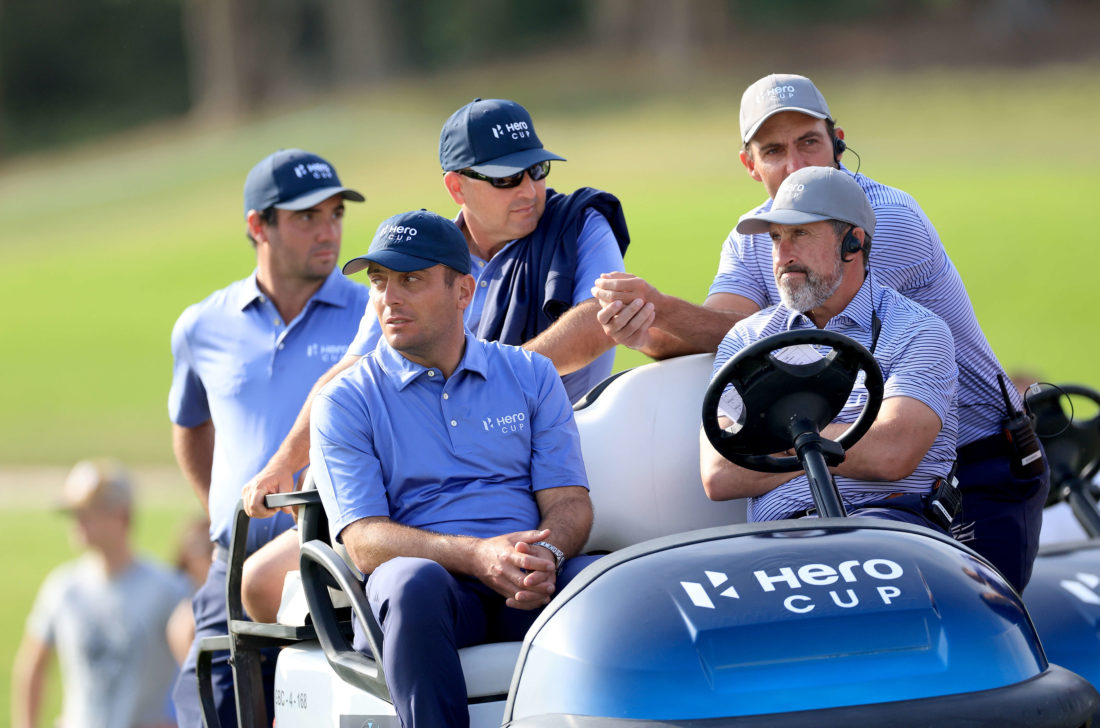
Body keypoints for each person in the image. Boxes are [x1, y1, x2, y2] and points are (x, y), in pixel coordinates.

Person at [596, 73, 1047, 592]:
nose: (795, 165)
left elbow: (829, 307)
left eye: (809, 142)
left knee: (977, 643)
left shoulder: (882, 219)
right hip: (846, 477)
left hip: (974, 458)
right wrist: (647, 327)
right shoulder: (753, 238)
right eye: (773, 150)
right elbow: (731, 337)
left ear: (837, 140)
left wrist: (665, 312)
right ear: (750, 164)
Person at [238, 98, 628, 621]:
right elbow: (354, 369)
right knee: (260, 582)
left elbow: (600, 319)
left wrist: (491, 377)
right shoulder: (421, 253)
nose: (532, 189)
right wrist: (284, 461)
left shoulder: (579, 224)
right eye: (507, 179)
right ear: (457, 186)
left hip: (542, 469)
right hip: (425, 472)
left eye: (537, 170)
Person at [311, 209, 597, 727]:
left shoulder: (530, 374)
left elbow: (568, 501)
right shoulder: (345, 400)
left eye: (411, 280)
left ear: (463, 292)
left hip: (526, 576)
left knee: (608, 582)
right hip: (430, 593)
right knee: (409, 583)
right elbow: (364, 541)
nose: (388, 298)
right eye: (379, 282)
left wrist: (548, 555)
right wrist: (476, 556)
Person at [167, 148, 370, 727]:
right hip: (235, 558)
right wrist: (220, 512)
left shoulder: (373, 312)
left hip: (334, 556)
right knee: (210, 706)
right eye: (307, 217)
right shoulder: (201, 325)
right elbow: (190, 424)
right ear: (259, 225)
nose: (328, 231)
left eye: (335, 214)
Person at [700, 167, 959, 529]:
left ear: (852, 242)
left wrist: (774, 440)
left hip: (891, 530)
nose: (783, 254)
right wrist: (838, 441)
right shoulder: (746, 339)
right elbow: (719, 473)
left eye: (800, 234)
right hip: (780, 542)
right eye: (775, 238)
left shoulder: (920, 331)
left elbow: (891, 453)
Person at [11, 459, 189, 728]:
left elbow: (197, 671)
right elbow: (31, 668)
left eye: (88, 513)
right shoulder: (63, 588)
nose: (77, 523)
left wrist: (179, 721)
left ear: (121, 516)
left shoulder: (167, 589)